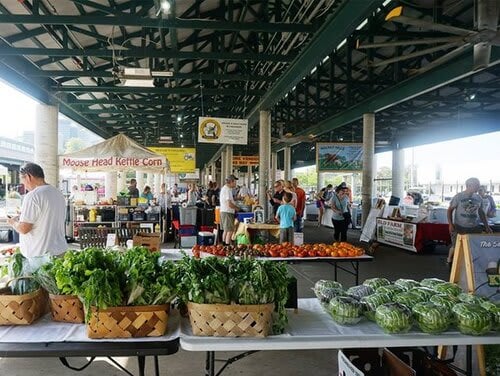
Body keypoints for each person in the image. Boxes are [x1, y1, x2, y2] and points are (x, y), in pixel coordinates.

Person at [6, 163, 67, 258]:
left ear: (28, 176)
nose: (24, 186)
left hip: (40, 257)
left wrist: (12, 222)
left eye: (23, 181)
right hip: (60, 251)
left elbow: (24, 229)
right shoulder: (58, 193)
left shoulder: (33, 196)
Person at [447, 177, 492, 267]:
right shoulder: (459, 197)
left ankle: (469, 264)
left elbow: (481, 212)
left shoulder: (478, 197)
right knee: (456, 246)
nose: (478, 187)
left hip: (474, 227)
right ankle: (450, 260)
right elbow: (450, 210)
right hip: (459, 226)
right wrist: (450, 224)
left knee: (473, 247)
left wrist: (487, 226)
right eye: (476, 185)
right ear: (469, 185)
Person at [220, 175, 239, 245]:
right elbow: (229, 204)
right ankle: (227, 246)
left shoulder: (225, 189)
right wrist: (238, 209)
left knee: (226, 230)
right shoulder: (227, 190)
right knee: (230, 230)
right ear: (231, 182)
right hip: (227, 212)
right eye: (235, 182)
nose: (235, 183)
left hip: (224, 211)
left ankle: (223, 245)